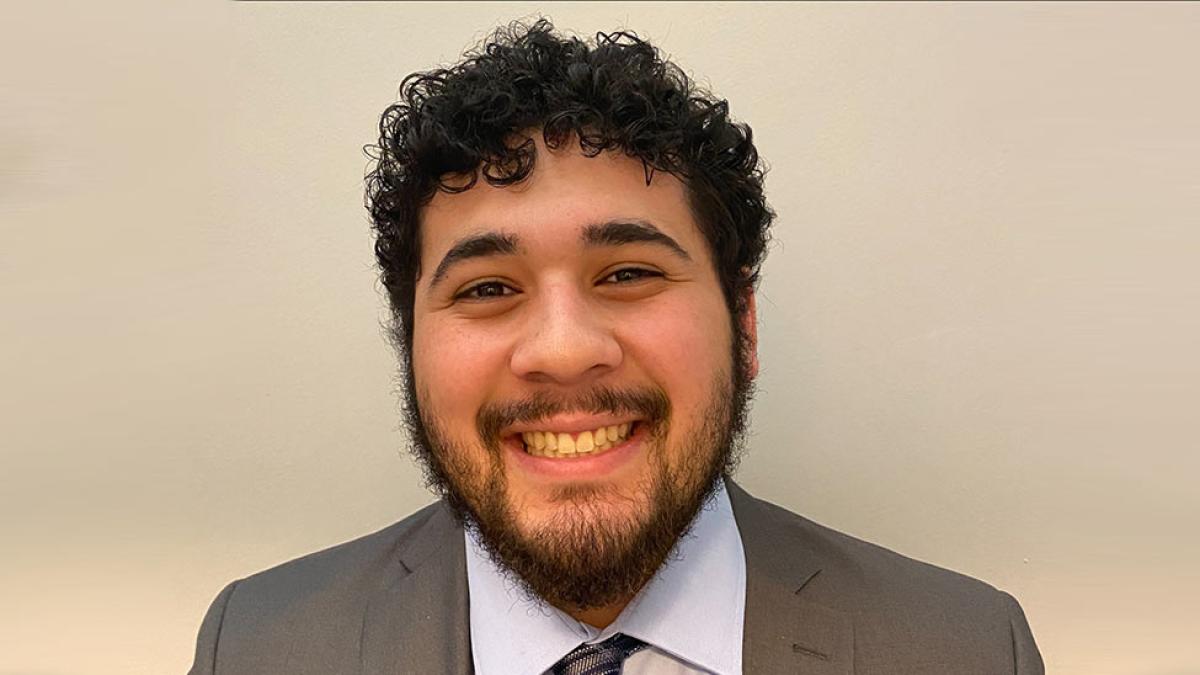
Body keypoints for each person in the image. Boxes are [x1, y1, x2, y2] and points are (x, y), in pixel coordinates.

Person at [189, 19, 1043, 675]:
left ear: (743, 325)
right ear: (411, 344)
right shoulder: (259, 645)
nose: (563, 350)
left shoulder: (966, 646)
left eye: (628, 273)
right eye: (488, 288)